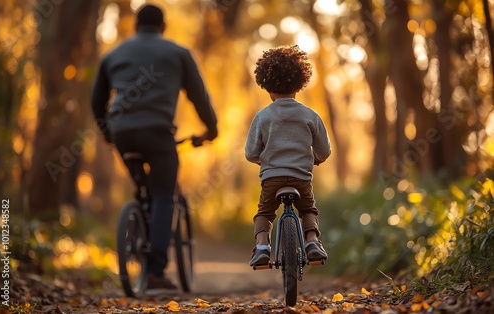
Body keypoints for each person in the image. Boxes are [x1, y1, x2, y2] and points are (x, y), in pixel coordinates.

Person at [91, 4, 217, 290]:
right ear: (164, 26)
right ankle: (155, 271)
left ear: (135, 26)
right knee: (163, 195)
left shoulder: (113, 55)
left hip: (123, 133)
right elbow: (199, 96)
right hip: (158, 134)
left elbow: (96, 100)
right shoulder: (178, 53)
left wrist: (107, 132)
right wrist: (211, 130)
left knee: (143, 186)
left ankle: (137, 224)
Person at [245, 45, 330, 266]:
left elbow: (250, 152)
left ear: (267, 86)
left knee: (264, 213)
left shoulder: (263, 116)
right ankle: (312, 241)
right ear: (299, 84)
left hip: (271, 179)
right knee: (308, 209)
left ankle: (262, 246)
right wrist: (314, 158)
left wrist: (264, 160)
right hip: (301, 179)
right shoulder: (310, 115)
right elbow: (324, 150)